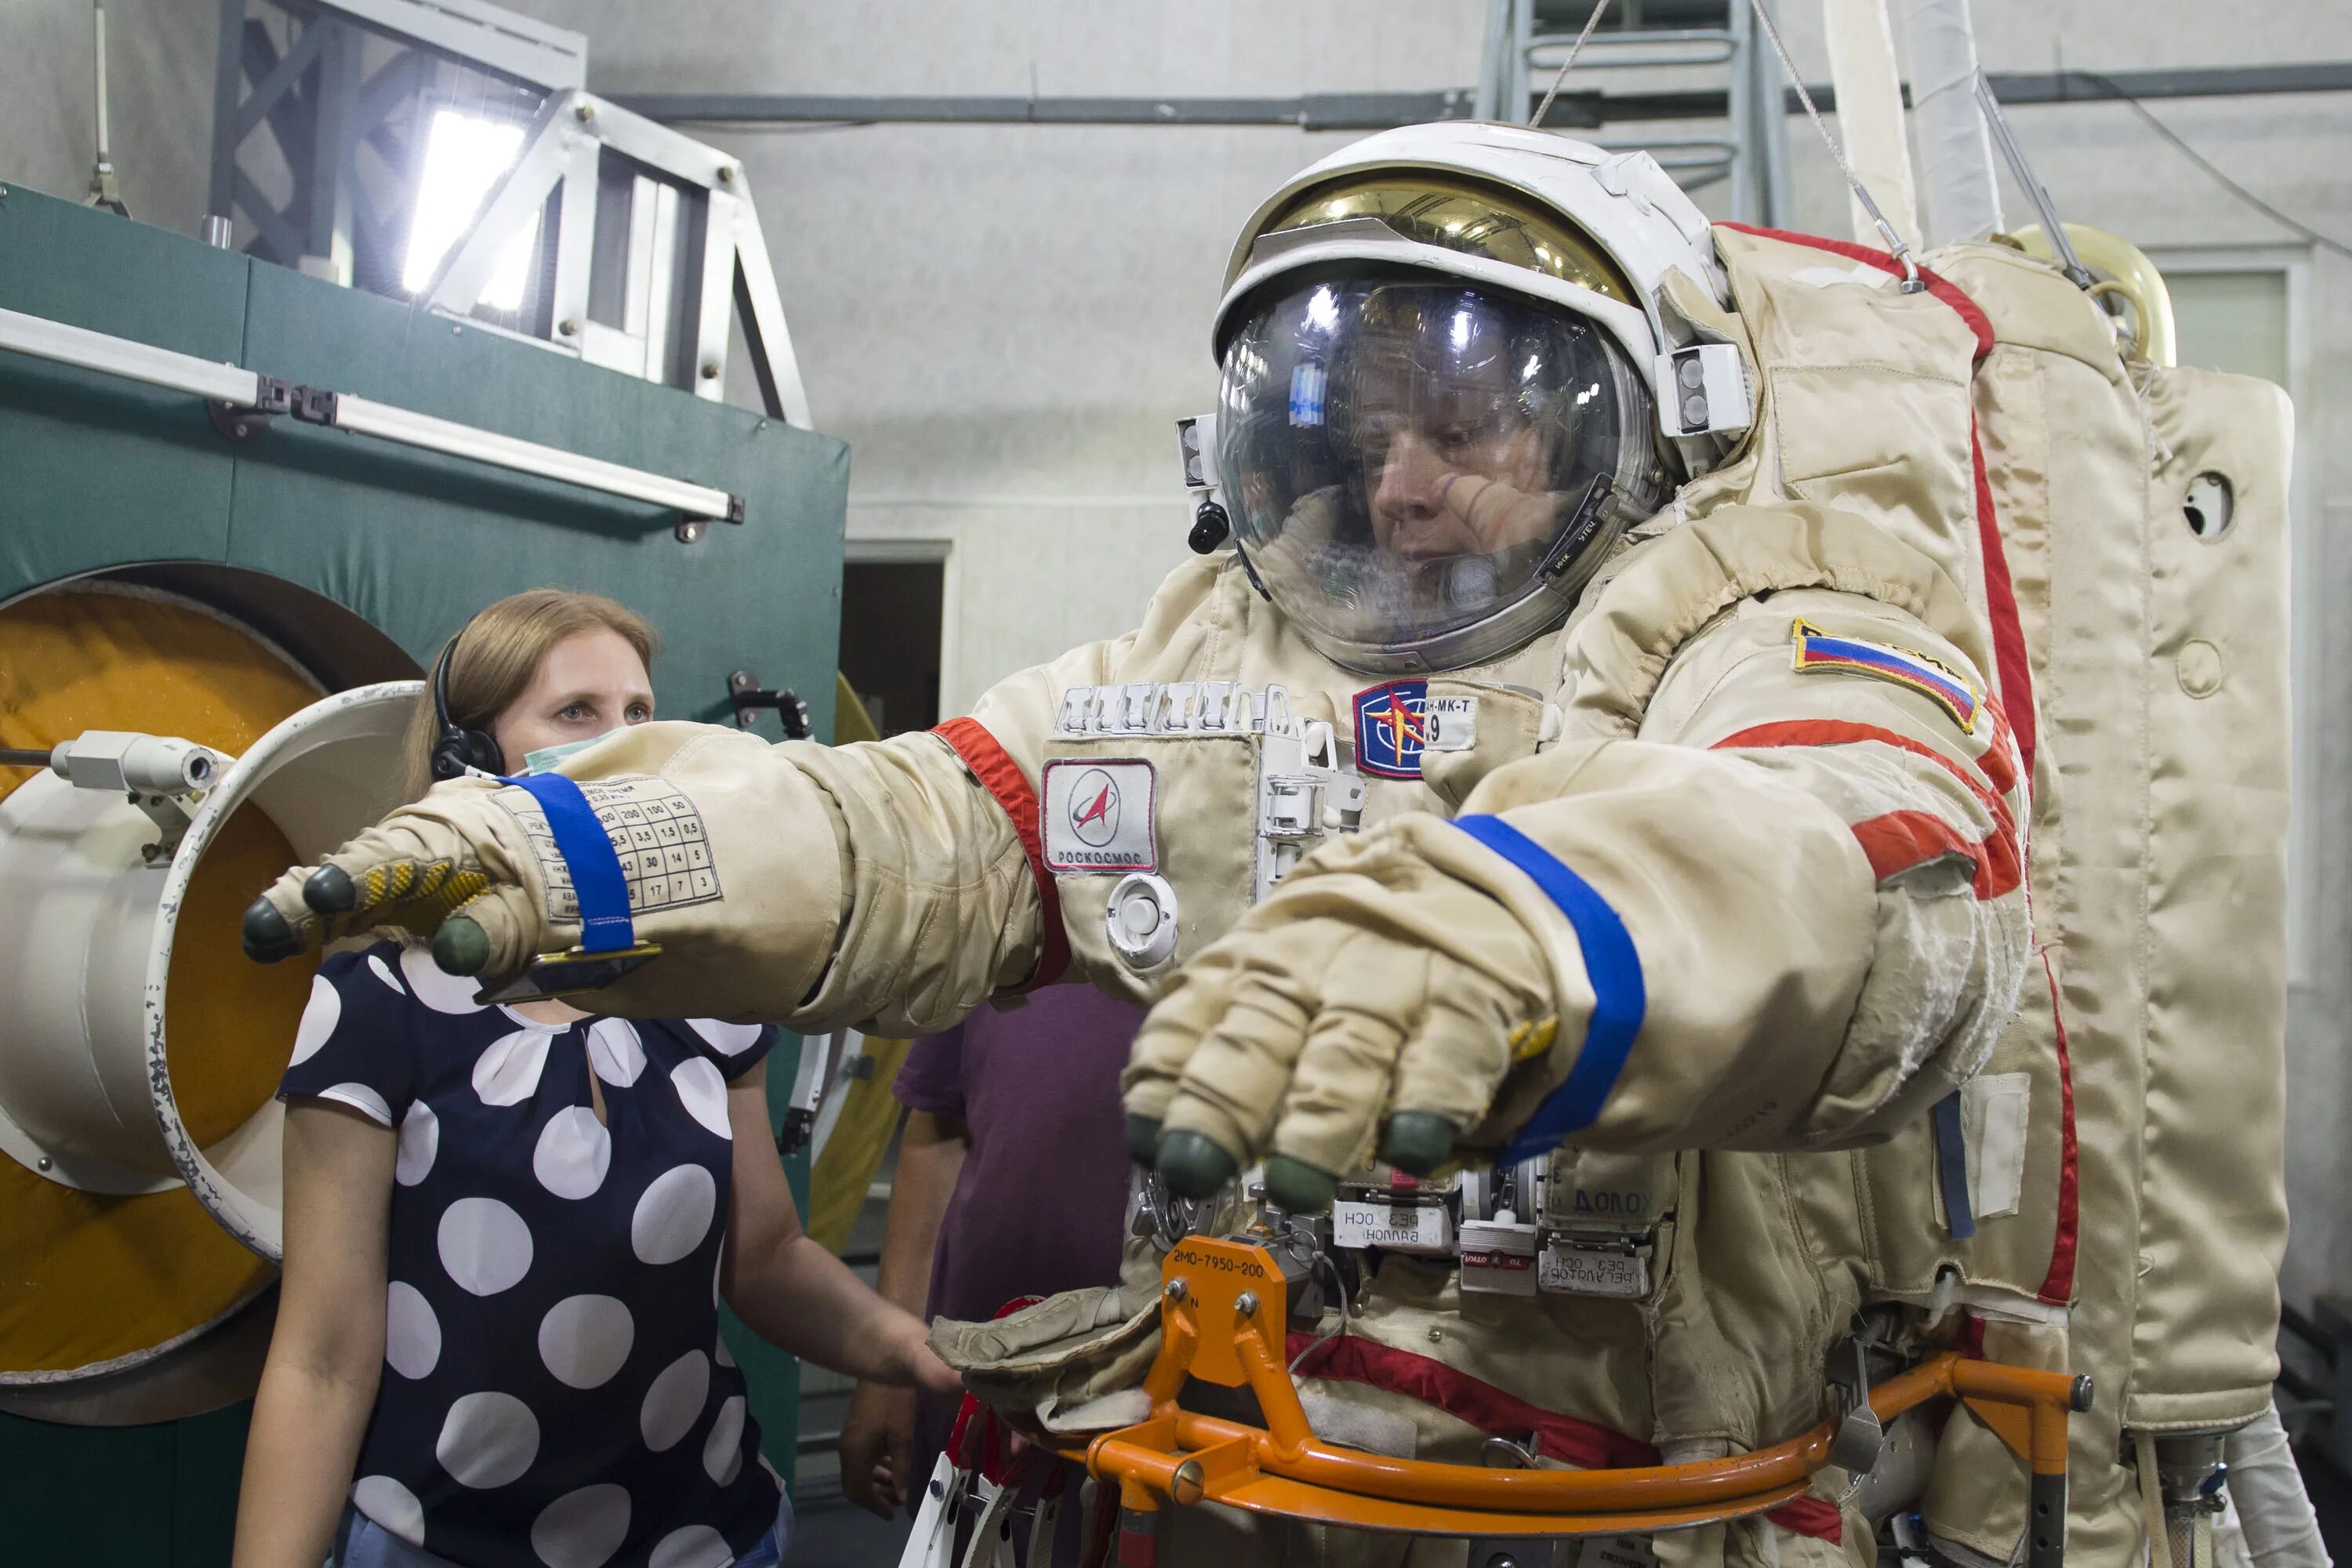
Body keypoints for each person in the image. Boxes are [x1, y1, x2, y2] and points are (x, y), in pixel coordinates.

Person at [238, 121, 2299, 1568]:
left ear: (1625, 423)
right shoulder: (1221, 659)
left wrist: (1531, 939)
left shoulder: (1766, 610)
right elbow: (922, 836)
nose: (1401, 493)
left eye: (1465, 425)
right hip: (1247, 1488)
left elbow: (1854, 877)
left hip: (1653, 1508)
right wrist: (594, 867)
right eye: (1342, 432)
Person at [232, 590, 961, 1568]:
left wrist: (907, 1349)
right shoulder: (375, 1004)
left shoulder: (709, 979)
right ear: (472, 759)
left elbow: (769, 1256)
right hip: (441, 1546)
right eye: (577, 713)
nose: (622, 745)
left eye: (638, 716)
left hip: (707, 1538)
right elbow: (323, 1356)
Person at [837, 987, 1145, 1563]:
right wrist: (892, 1373)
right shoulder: (1007, 912)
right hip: (979, 1385)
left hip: (1175, 1412)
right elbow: (936, 1130)